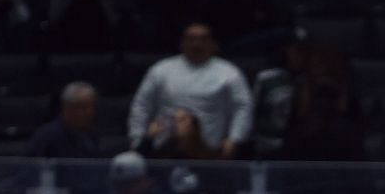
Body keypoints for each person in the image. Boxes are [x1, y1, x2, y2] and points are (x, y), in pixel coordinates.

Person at [128, 23, 252, 158]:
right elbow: (142, 105)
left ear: (213, 44)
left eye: (203, 39)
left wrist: (235, 139)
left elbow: (242, 107)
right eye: (191, 39)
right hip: (163, 149)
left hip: (210, 151)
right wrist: (137, 138)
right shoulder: (160, 70)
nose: (197, 44)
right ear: (182, 43)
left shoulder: (230, 73)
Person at [28, 82, 103, 161]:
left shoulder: (92, 136)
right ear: (67, 108)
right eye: (83, 107)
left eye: (91, 107)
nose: (89, 112)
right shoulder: (46, 137)